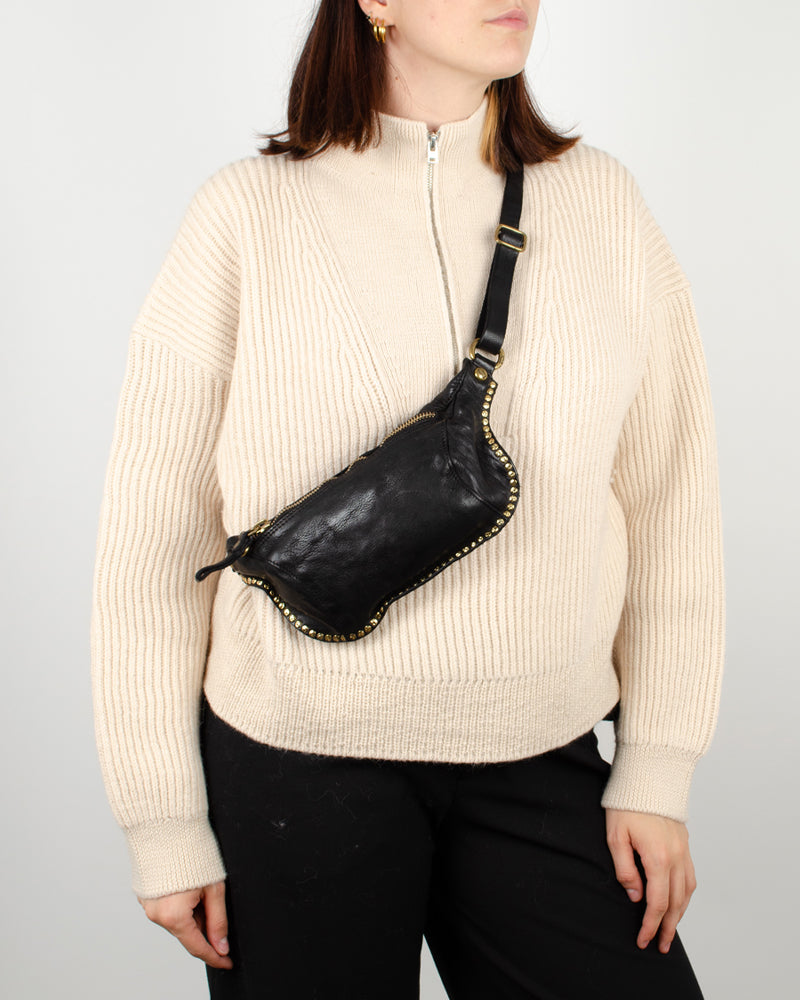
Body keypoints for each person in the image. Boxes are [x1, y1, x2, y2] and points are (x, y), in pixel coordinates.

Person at [89, 2, 726, 997]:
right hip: (295, 762)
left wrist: (657, 766)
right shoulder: (244, 217)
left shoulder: (603, 206)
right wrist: (161, 818)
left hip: (540, 750)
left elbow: (670, 505)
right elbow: (154, 541)